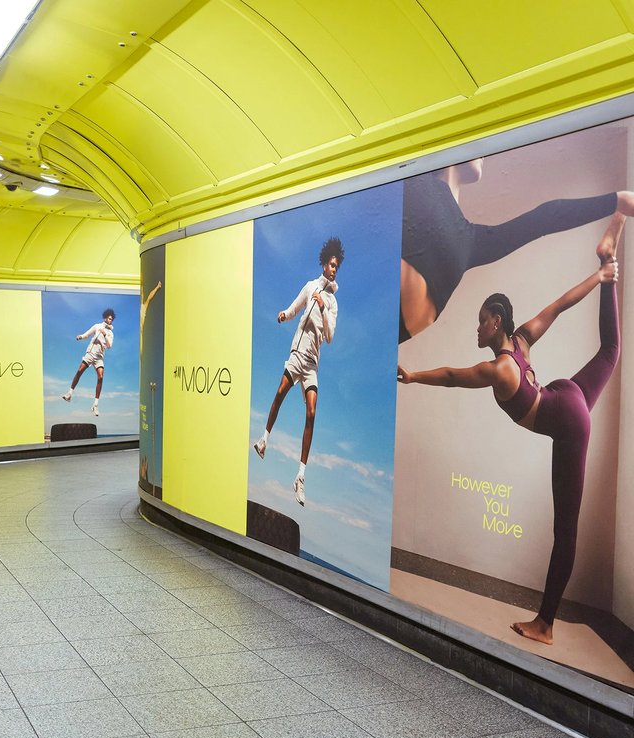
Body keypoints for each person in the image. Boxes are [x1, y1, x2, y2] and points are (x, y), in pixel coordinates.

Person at [397, 213, 624, 645]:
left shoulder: (500, 368)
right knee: (611, 351)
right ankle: (609, 265)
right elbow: (559, 304)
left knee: (566, 531)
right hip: (568, 394)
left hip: (568, 420)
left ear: (496, 321)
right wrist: (598, 278)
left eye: (481, 320)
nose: (477, 327)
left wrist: (413, 376)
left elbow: (452, 376)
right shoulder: (522, 341)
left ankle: (546, 625)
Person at [399, 159, 634, 342]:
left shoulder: (470, 241)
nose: (484, 155)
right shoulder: (412, 181)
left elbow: (543, 219)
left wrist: (619, 201)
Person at [253, 237, 343, 506]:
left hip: (312, 364)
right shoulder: (310, 286)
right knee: (280, 392)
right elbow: (294, 308)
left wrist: (324, 307)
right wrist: (283, 314)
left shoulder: (332, 302)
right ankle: (264, 440)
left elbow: (330, 336)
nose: (334, 270)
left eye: (337, 267)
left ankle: (300, 477)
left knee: (312, 412)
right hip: (297, 354)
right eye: (331, 265)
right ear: (324, 264)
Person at [62, 308, 114, 417]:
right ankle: (69, 393)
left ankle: (95, 405)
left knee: (100, 377)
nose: (110, 320)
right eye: (109, 318)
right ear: (105, 318)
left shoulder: (110, 333)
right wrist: (80, 337)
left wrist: (105, 335)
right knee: (79, 371)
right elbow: (87, 334)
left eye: (112, 319)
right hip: (90, 353)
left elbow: (109, 346)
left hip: (99, 357)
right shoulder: (97, 326)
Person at [140, 280, 162, 356]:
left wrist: (157, 287)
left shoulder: (143, 307)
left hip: (140, 334)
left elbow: (149, 297)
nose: (141, 296)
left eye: (142, 295)